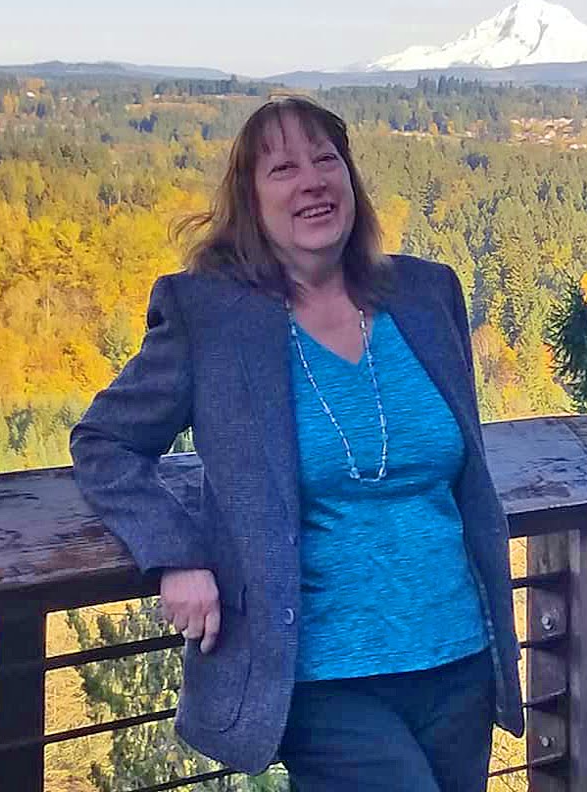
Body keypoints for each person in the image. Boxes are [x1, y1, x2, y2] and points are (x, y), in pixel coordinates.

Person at [70, 94, 524, 792]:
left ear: (351, 179)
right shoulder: (212, 319)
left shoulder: (428, 295)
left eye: (326, 160)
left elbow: (456, 468)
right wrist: (174, 555)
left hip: (457, 657)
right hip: (321, 675)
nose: (312, 180)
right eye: (282, 168)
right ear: (250, 201)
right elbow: (104, 442)